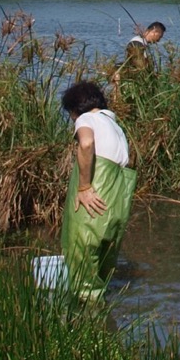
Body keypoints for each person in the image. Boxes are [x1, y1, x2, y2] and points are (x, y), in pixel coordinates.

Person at [59, 79, 137, 301]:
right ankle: (105, 324)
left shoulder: (87, 118)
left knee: (82, 261)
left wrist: (84, 187)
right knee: (102, 267)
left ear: (75, 109)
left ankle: (88, 323)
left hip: (97, 195)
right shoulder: (116, 128)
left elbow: (85, 144)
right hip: (118, 202)